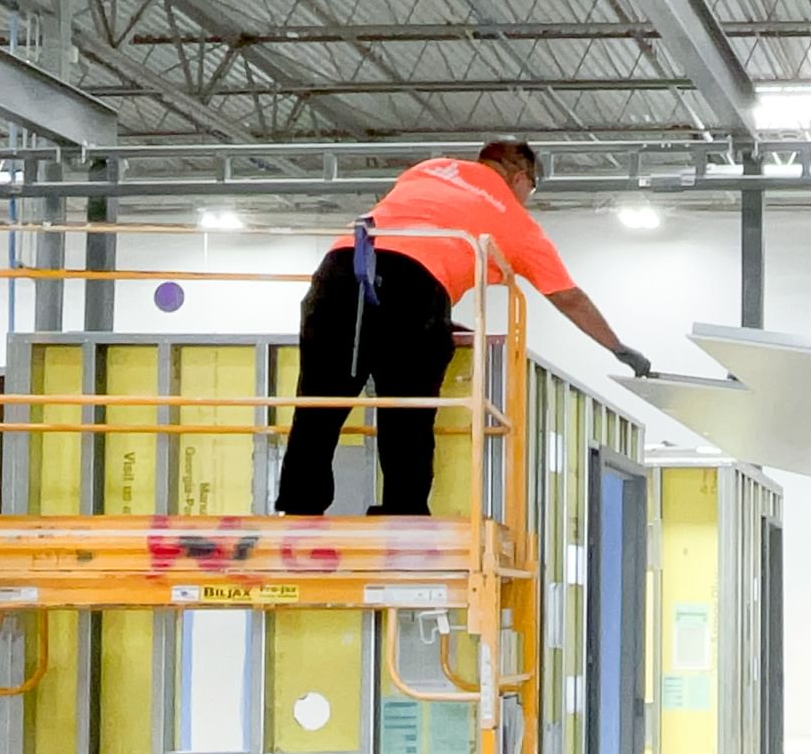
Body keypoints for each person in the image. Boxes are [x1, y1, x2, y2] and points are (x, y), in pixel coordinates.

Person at [274, 139, 654, 516]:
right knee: (408, 412)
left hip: (342, 269)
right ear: (520, 177)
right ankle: (403, 514)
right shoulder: (512, 217)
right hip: (415, 287)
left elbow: (412, 225)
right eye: (532, 188)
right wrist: (618, 347)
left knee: (319, 401)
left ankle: (298, 509)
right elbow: (567, 296)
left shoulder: (428, 168)